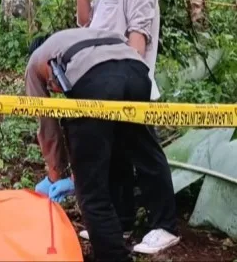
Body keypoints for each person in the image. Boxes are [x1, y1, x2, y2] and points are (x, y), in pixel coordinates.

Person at [36, 0, 162, 240]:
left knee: (144, 153)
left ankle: (163, 224)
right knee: (114, 155)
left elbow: (140, 31)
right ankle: (120, 222)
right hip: (105, 82)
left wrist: (133, 75)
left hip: (128, 78)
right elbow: (86, 29)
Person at [25, 28, 179, 260]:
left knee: (91, 186)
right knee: (141, 149)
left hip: (96, 80)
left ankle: (113, 255)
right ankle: (146, 222)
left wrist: (56, 173)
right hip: (137, 72)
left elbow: (47, 125)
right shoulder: (78, 36)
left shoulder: (36, 61)